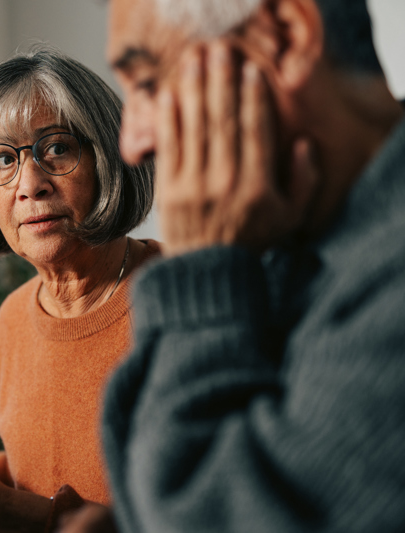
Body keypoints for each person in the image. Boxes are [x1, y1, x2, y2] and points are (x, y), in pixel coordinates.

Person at [62, 0, 405, 531]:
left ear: (284, 38)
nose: (131, 143)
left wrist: (201, 265)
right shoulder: (295, 242)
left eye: (149, 82)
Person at [0, 48, 158, 532]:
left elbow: (212, 512)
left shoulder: (185, 302)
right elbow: (35, 471)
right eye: (0, 159)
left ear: (108, 155)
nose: (29, 185)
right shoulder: (13, 317)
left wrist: (14, 514)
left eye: (56, 148)